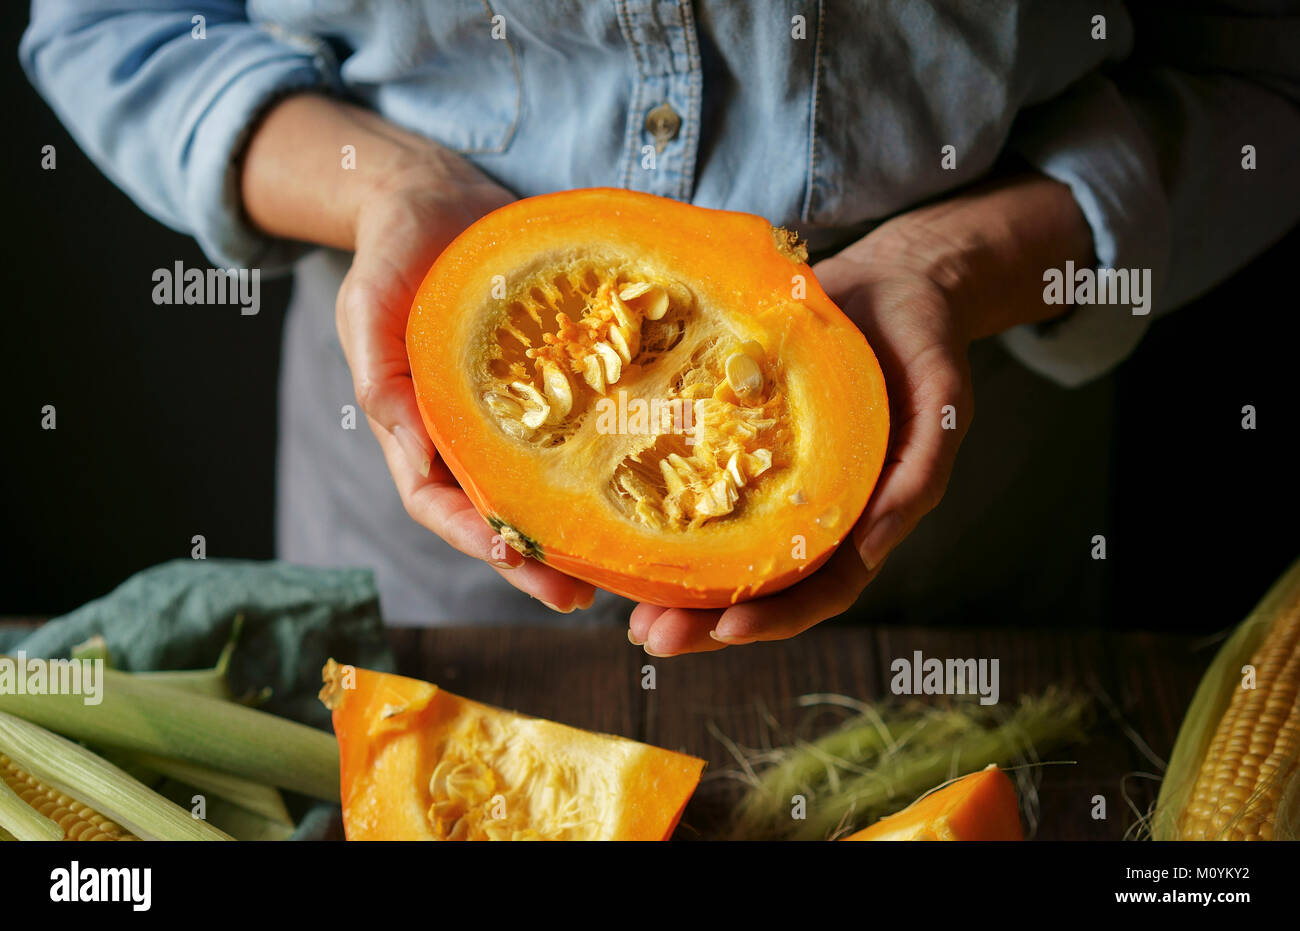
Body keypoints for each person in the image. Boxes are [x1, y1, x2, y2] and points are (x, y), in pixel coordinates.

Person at [22, 3, 1299, 653]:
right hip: (414, 540)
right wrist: (388, 189)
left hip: (957, 542)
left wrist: (960, 265)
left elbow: (1263, 65)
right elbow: (111, 23)